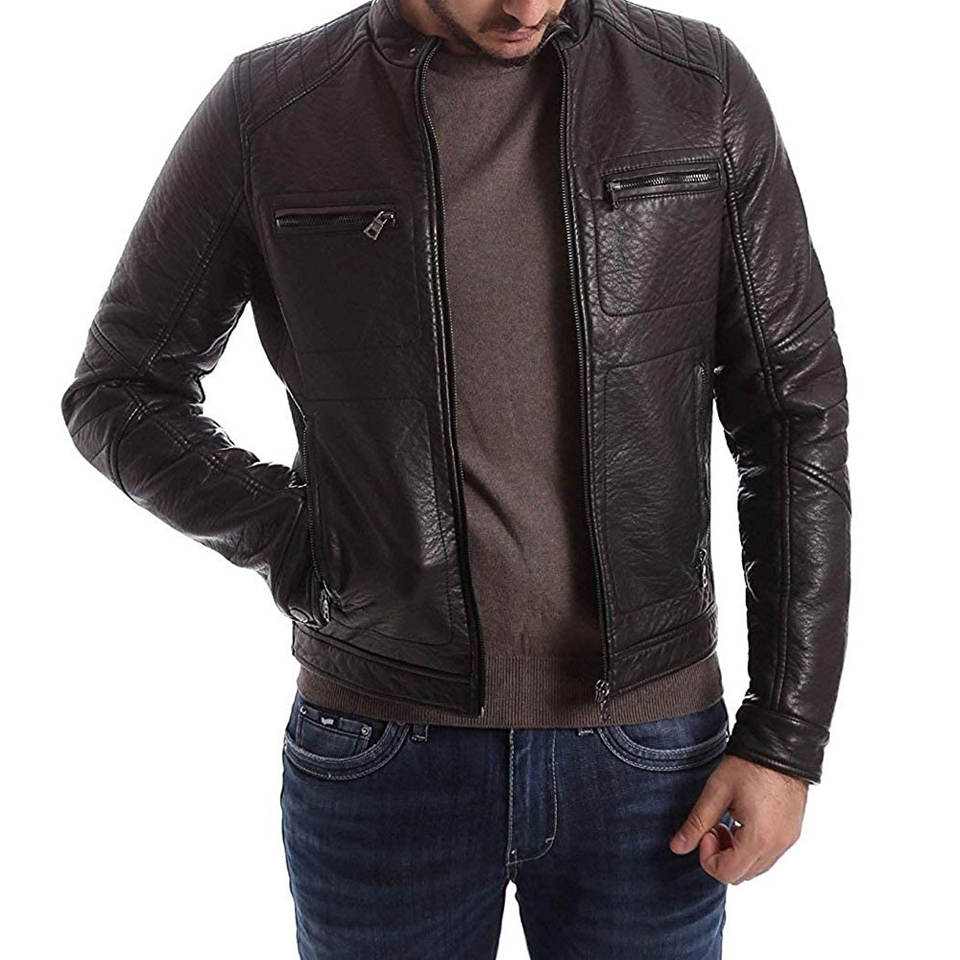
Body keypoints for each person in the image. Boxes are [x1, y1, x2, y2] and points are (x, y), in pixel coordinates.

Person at [60, 0, 851, 956]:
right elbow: (119, 390)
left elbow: (794, 415)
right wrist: (305, 545)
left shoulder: (694, 83)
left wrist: (784, 741)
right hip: (382, 750)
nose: (529, 7)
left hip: (650, 754)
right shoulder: (273, 108)